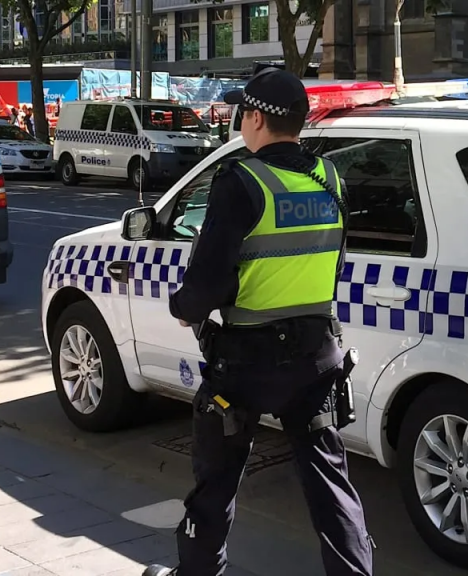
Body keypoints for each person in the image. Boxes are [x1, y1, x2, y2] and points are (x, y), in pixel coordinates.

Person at [144, 68, 375, 576]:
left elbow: (206, 282)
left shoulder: (241, 181)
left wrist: (184, 309)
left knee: (217, 481)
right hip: (316, 358)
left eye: (237, 113)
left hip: (245, 365)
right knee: (329, 482)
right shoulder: (329, 177)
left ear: (254, 118)